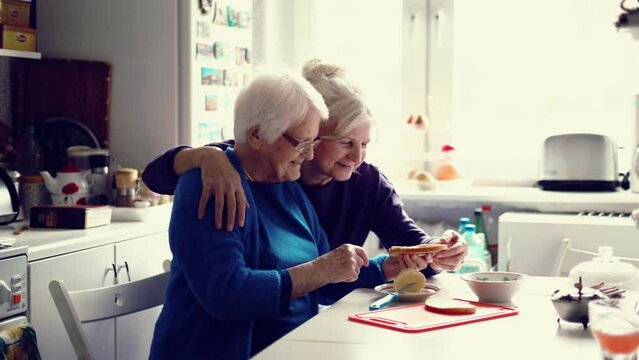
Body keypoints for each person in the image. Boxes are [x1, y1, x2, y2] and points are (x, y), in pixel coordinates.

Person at [143, 59, 468, 279]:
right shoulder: (265, 165)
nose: (357, 158)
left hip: (312, 312)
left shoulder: (368, 183)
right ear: (311, 131)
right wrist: (202, 157)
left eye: (365, 144)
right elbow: (156, 176)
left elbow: (410, 249)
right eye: (345, 142)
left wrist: (439, 252)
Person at [149, 71, 386, 360]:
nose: (310, 155)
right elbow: (227, 295)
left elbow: (325, 284)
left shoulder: (288, 188)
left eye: (313, 142)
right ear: (256, 135)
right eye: (302, 143)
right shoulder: (211, 185)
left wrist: (388, 268)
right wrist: (321, 269)